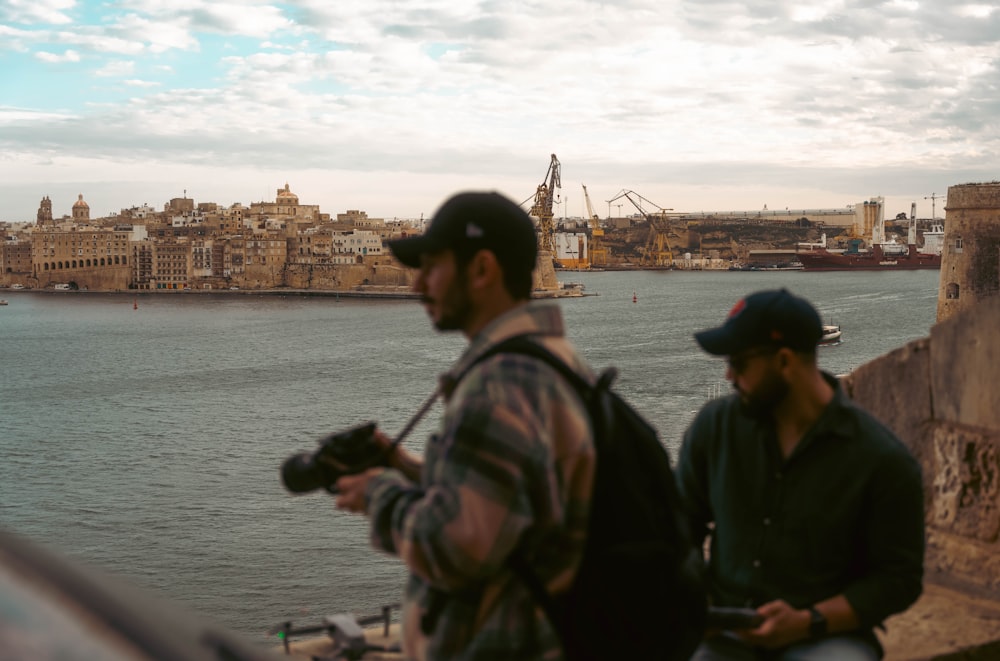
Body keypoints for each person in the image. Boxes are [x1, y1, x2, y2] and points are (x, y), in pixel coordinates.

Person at [333, 191, 596, 660]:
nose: (417, 287)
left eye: (432, 267)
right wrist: (406, 466)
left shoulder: (502, 384)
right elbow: (513, 501)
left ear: (481, 270)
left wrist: (377, 493)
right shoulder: (555, 360)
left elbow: (458, 546)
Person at [676, 288, 925, 660]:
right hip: (725, 628)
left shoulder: (880, 459)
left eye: (740, 363)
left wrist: (809, 620)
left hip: (823, 635)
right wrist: (695, 602)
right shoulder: (715, 428)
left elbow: (898, 579)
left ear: (785, 362)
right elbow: (680, 527)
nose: (729, 375)